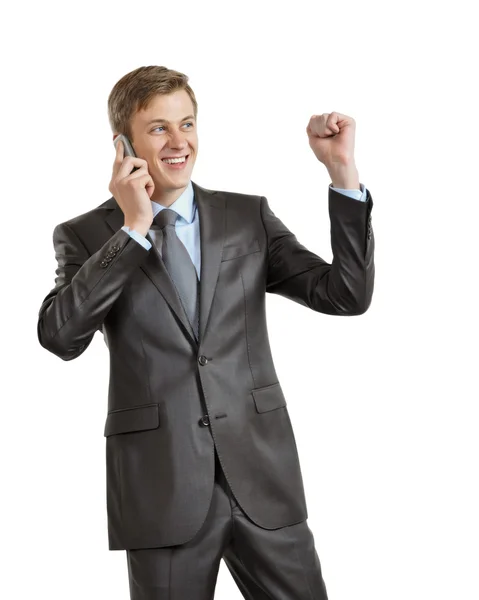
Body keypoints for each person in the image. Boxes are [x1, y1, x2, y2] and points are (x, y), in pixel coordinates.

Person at [37, 65, 375, 600]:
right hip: (162, 489)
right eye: (158, 129)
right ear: (122, 143)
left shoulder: (247, 217)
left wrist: (342, 176)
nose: (179, 143)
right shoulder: (86, 235)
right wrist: (132, 230)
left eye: (187, 124)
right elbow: (60, 337)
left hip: (263, 479)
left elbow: (345, 295)